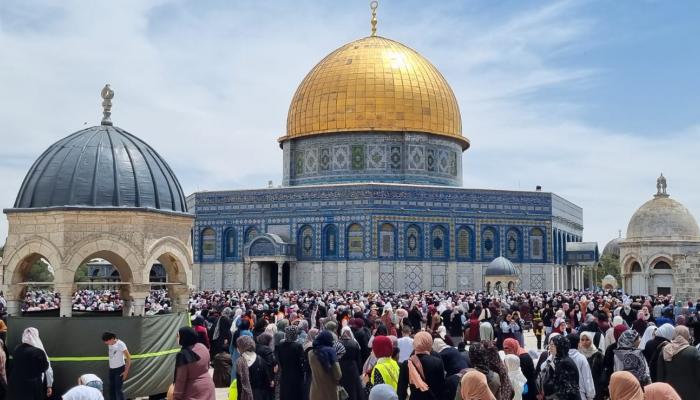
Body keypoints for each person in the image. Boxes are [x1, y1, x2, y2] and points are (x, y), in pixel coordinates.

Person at [655, 325, 700, 400]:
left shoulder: (665, 350)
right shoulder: (693, 351)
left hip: (670, 393)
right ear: (687, 335)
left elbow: (660, 375)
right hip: (691, 393)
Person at [397, 331, 445, 400]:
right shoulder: (437, 362)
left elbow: (401, 391)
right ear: (429, 343)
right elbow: (441, 388)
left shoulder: (407, 363)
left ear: (415, 343)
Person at [171, 327, 215, 400]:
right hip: (208, 387)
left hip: (193, 392)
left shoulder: (183, 355)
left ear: (184, 337)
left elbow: (181, 379)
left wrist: (176, 396)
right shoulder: (203, 347)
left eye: (178, 336)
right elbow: (207, 366)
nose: (177, 338)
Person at [8, 327, 52, 400]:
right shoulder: (38, 352)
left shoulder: (17, 349)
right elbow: (45, 367)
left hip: (16, 384)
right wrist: (49, 385)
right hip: (32, 385)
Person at [537, 335, 579, 400]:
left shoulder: (565, 362)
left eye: (553, 345)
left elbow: (568, 388)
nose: (550, 348)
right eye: (549, 345)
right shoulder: (559, 360)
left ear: (560, 346)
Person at [236, 335, 272, 400]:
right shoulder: (260, 359)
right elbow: (267, 381)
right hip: (260, 395)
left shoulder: (240, 362)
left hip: (245, 396)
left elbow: (239, 385)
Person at [308, 330, 342, 400]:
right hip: (329, 392)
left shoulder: (310, 353)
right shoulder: (331, 352)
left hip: (314, 391)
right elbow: (338, 375)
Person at [276, 326, 305, 400]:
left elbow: (278, 360)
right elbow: (301, 361)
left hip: (284, 374)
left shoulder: (280, 345)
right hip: (296, 375)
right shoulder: (298, 346)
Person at [566, 334, 596, 400]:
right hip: (580, 395)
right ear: (578, 344)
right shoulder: (581, 358)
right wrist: (590, 395)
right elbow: (587, 378)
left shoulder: (561, 357)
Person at [102, 331, 131, 400]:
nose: (106, 343)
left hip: (120, 369)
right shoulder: (110, 344)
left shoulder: (121, 344)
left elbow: (128, 357)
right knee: (111, 389)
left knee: (118, 390)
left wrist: (126, 371)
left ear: (112, 339)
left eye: (107, 341)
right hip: (111, 370)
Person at [338, 327, 363, 400]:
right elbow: (358, 359)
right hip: (353, 367)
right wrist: (359, 370)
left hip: (341, 367)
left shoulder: (337, 343)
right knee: (353, 387)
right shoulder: (354, 343)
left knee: (343, 386)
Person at [579, 331, 605, 400]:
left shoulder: (598, 355)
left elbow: (601, 374)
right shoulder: (578, 354)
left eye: (587, 340)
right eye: (582, 340)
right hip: (581, 388)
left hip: (596, 388)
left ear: (591, 340)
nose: (584, 342)